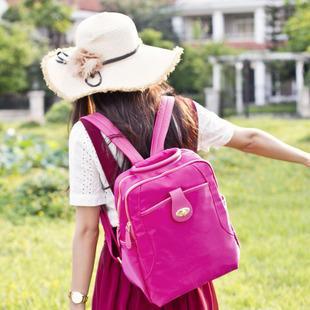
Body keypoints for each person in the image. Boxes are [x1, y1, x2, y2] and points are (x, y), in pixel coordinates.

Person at [41, 11, 310, 310]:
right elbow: (248, 139)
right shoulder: (183, 111)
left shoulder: (87, 132)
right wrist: (306, 158)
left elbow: (87, 229)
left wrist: (77, 301)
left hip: (126, 273)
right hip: (187, 268)